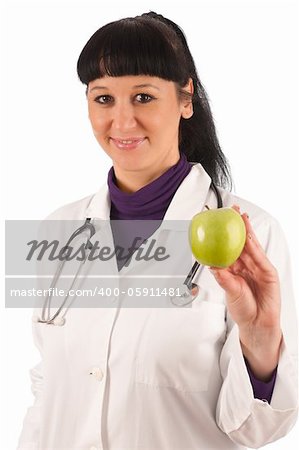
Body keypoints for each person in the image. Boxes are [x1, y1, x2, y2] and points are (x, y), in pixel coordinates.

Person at [17, 11, 297, 450]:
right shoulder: (59, 231)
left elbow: (252, 430)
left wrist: (260, 343)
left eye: (144, 97)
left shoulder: (250, 233)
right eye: (104, 98)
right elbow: (46, 390)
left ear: (186, 100)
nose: (123, 122)